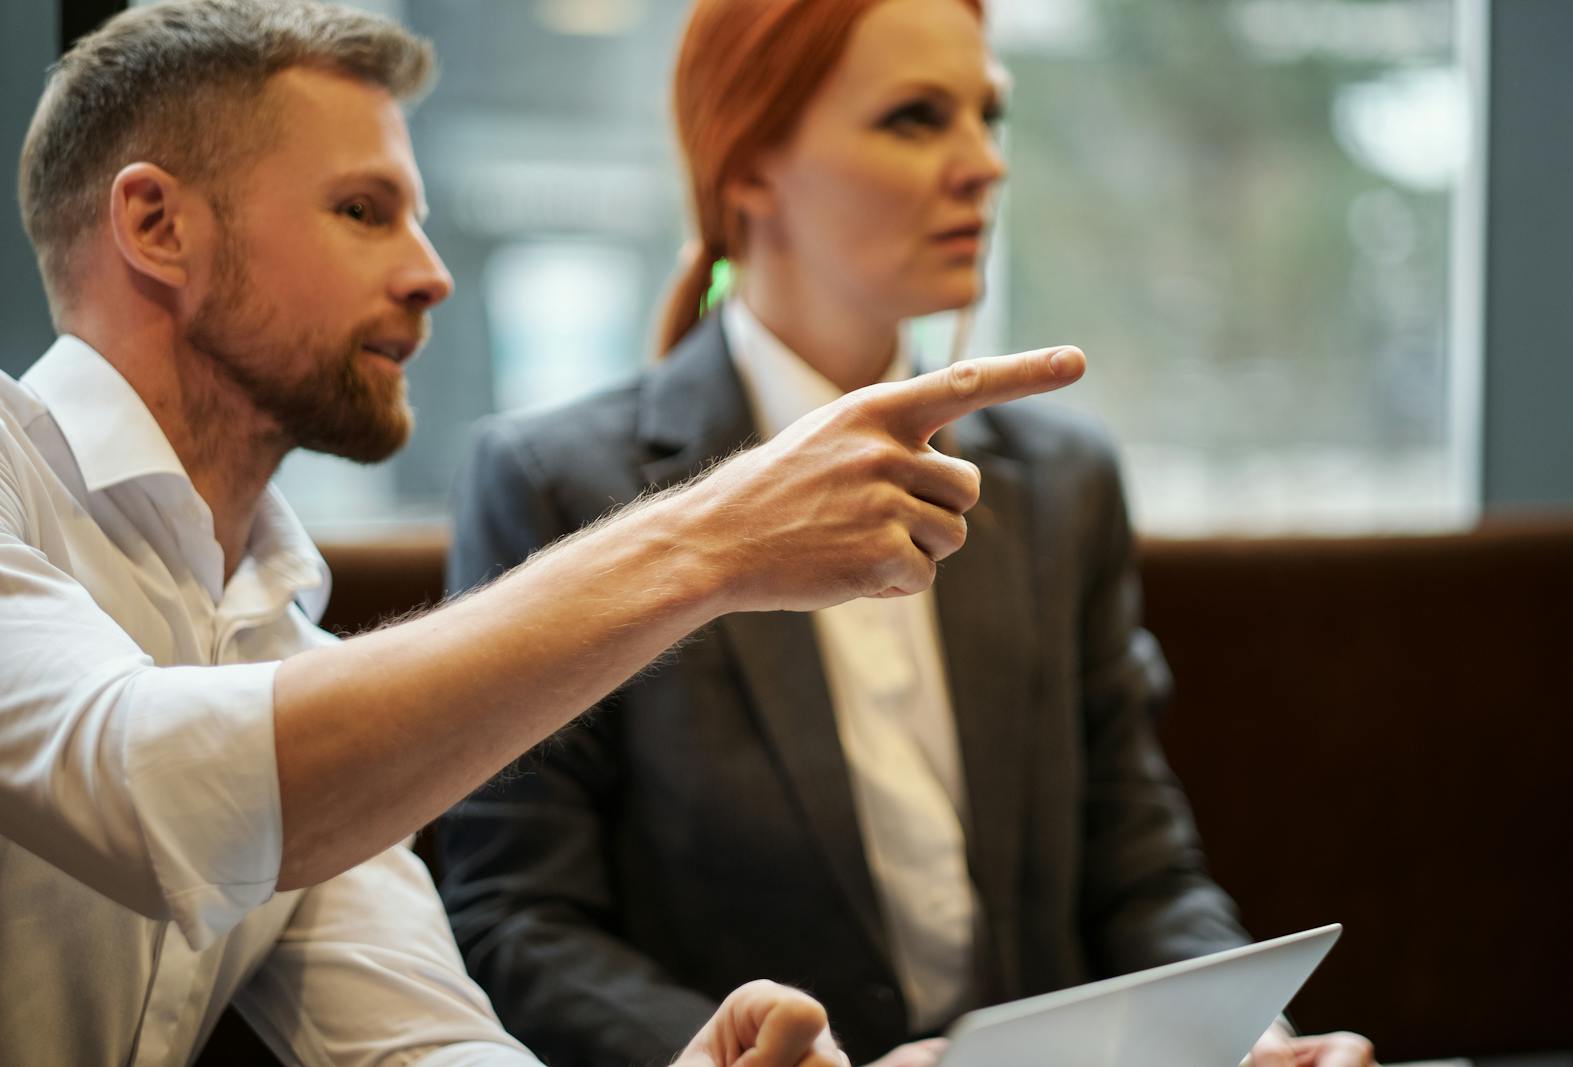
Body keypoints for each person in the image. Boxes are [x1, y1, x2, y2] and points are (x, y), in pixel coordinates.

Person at [0, 1, 1085, 1063]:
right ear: (156, 225)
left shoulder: (286, 651)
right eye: (364, 211)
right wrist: (711, 538)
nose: (430, 273)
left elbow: (423, 1043)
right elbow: (144, 778)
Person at [439, 3, 1378, 1067]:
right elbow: (515, 916)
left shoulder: (1060, 483)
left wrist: (1245, 1034)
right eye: (916, 119)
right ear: (747, 164)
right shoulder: (563, 486)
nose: (984, 164)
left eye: (988, 115)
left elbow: (1139, 869)